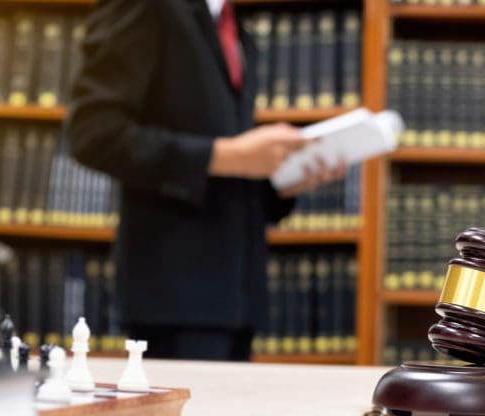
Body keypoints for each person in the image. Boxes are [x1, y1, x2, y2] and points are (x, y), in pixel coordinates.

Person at [67, 0, 344, 360]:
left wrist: (281, 180)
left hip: (237, 300)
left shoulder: (236, 29)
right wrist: (226, 155)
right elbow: (93, 133)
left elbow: (228, 157)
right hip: (174, 293)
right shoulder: (146, 7)